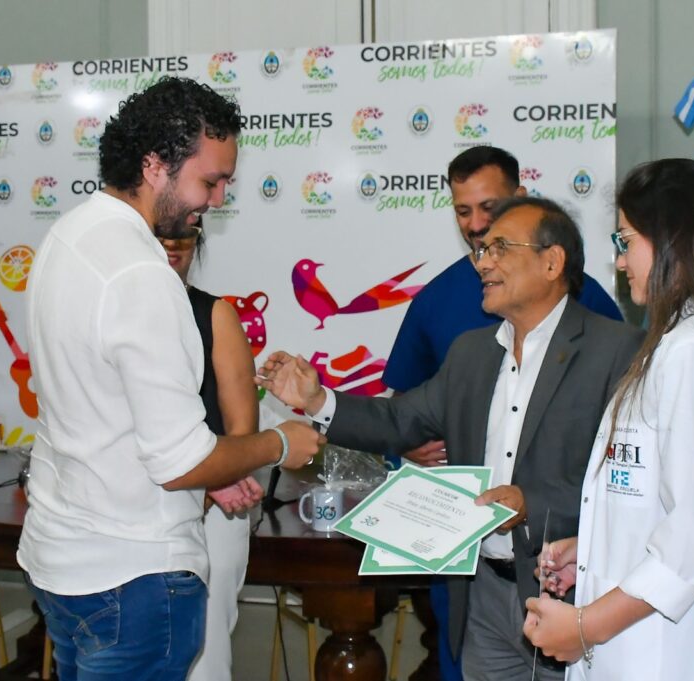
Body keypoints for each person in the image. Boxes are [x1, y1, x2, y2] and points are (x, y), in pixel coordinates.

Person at [258, 196, 642, 681]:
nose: (483, 263)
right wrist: (318, 400)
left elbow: (629, 487)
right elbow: (399, 420)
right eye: (482, 251)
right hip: (481, 596)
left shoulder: (616, 350)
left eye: (500, 248)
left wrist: (532, 504)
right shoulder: (470, 354)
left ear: (552, 262)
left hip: (568, 594)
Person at [17, 77, 323, 681]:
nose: (218, 198)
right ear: (155, 165)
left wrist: (212, 477)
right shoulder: (142, 273)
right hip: (132, 578)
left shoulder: (67, 236)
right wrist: (280, 443)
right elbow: (181, 462)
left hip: (64, 560)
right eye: (211, 181)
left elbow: (108, 414)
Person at [523, 158, 694, 681]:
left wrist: (586, 626)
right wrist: (595, 552)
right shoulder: (677, 344)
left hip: (682, 657)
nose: (620, 261)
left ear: (673, 240)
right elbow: (663, 504)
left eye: (626, 241)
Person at [383, 145, 624, 681]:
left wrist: (539, 503)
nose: (476, 229)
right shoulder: (439, 304)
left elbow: (624, 460)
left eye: (489, 211)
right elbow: (405, 409)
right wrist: (400, 441)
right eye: (463, 212)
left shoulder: (594, 314)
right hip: (471, 570)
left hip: (562, 575)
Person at [159, 218, 259, 681]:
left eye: (185, 234)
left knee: (204, 656)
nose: (173, 244)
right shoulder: (112, 313)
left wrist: (204, 490)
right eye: (161, 234)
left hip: (214, 505)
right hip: (136, 506)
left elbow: (242, 432)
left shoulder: (214, 314)